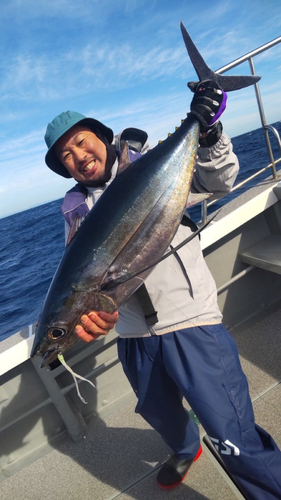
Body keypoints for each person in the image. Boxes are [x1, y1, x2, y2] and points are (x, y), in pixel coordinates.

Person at [44, 81, 281, 500]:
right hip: (134, 338)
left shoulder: (148, 163)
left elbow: (220, 180)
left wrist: (207, 132)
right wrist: (95, 321)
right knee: (160, 412)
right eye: (67, 156)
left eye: (82, 143)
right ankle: (187, 448)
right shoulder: (75, 213)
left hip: (189, 322)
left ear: (101, 137)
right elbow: (84, 282)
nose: (80, 157)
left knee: (231, 432)